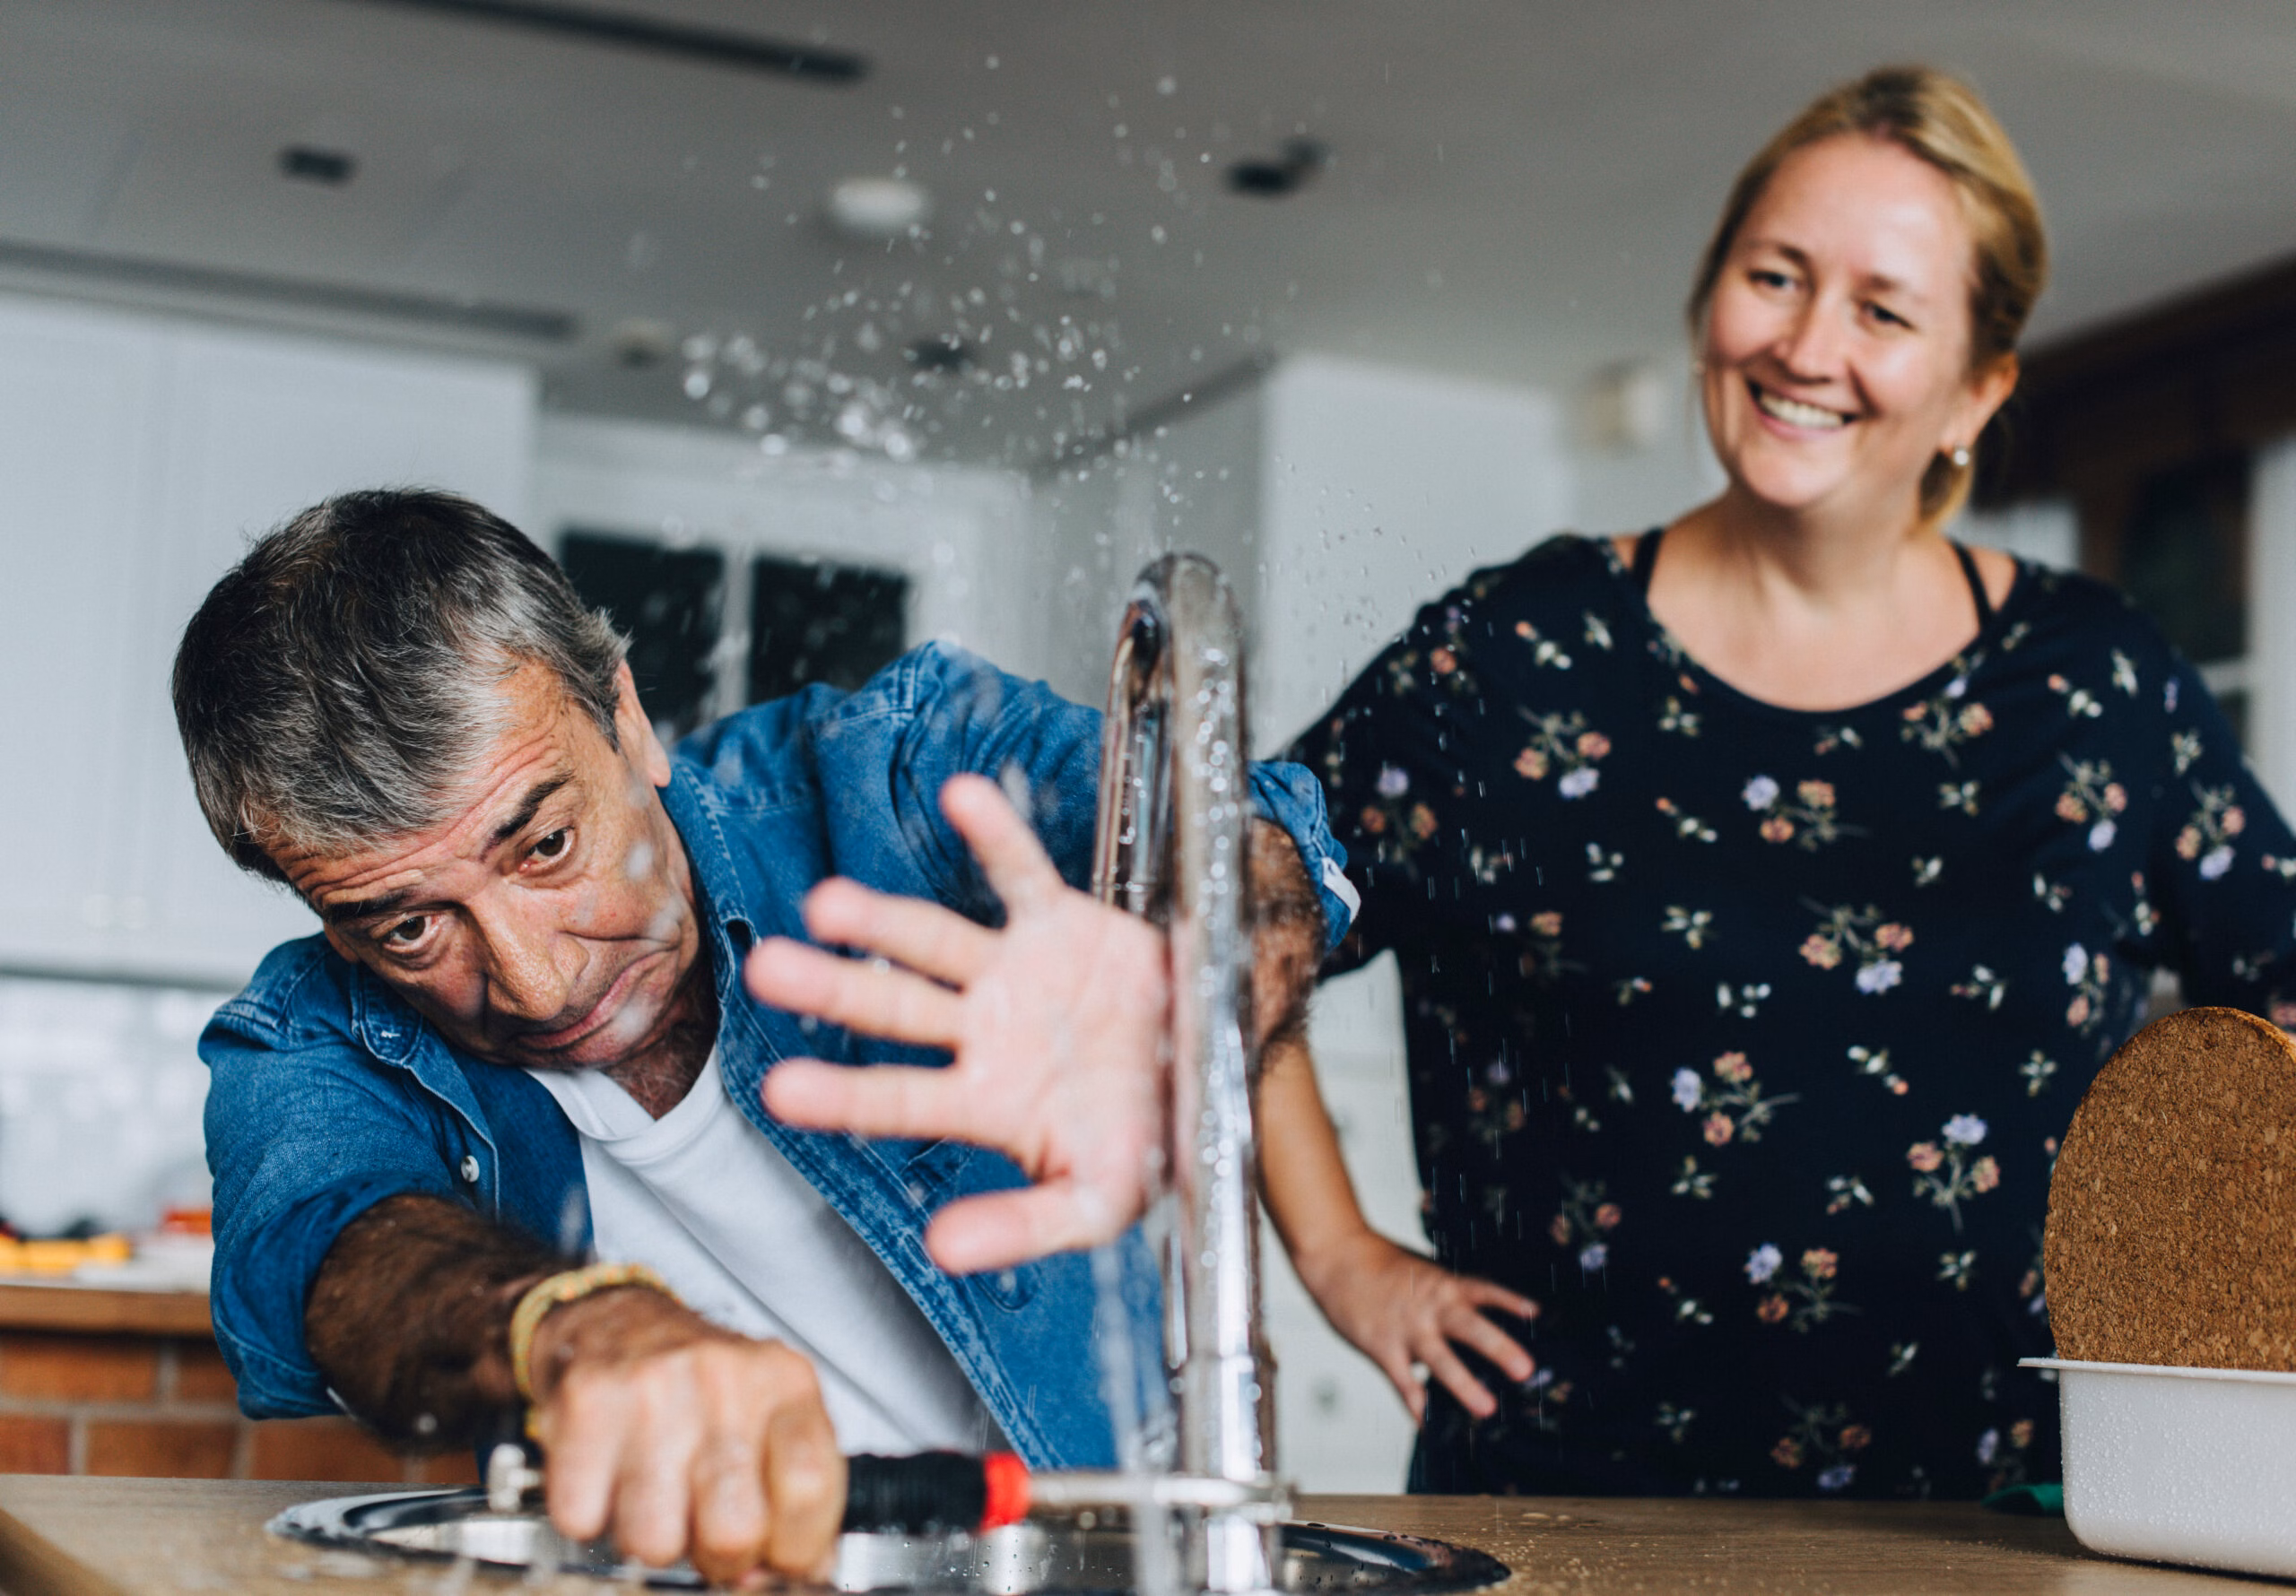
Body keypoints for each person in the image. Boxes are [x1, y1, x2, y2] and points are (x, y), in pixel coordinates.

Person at [1263, 64, 2296, 1498]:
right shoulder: (1512, 659)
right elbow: (1225, 907)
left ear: (1977, 391)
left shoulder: (2093, 681)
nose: (1808, 346)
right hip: (1572, 1522)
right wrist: (1336, 1252)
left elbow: (2280, 989)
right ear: (1710, 299)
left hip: (1999, 1533)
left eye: (1882, 310)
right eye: (1775, 277)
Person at [174, 490, 1352, 1582]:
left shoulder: (892, 769)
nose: (534, 985)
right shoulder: (304, 1036)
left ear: (625, 718)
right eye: (412, 926)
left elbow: (1248, 844)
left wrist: (1184, 996)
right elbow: (339, 1258)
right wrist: (569, 1326)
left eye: (544, 849)